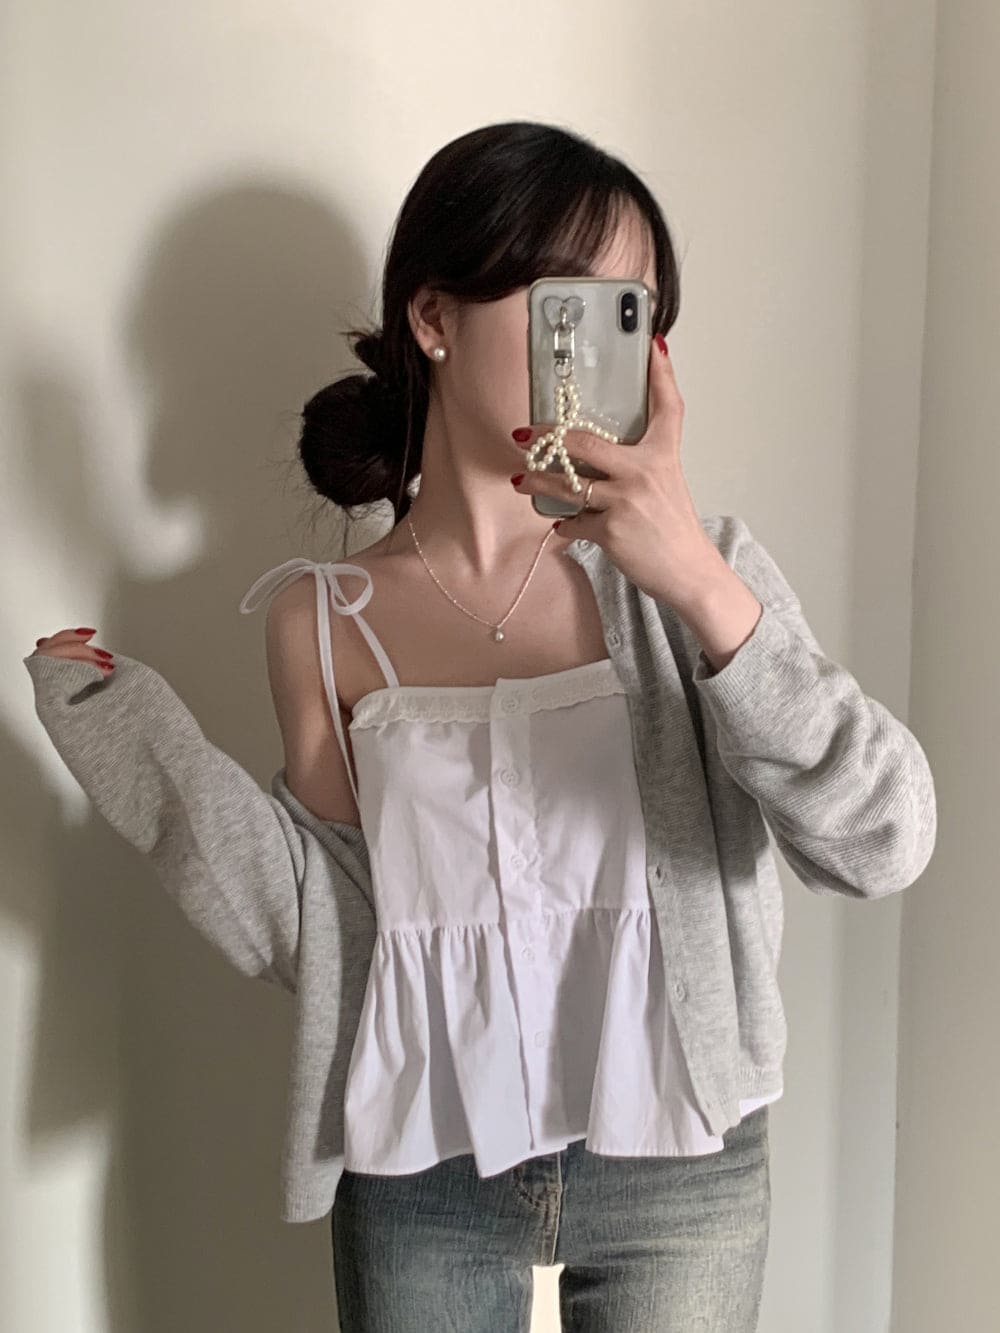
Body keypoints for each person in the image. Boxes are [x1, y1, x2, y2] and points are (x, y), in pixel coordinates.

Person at [25, 121, 937, 1332]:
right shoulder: (322, 618)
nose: (599, 343)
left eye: (631, 309)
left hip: (682, 1164)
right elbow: (315, 926)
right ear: (433, 316)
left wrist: (698, 585)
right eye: (569, 302)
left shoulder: (698, 582)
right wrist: (124, 731)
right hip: (425, 1173)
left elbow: (883, 842)